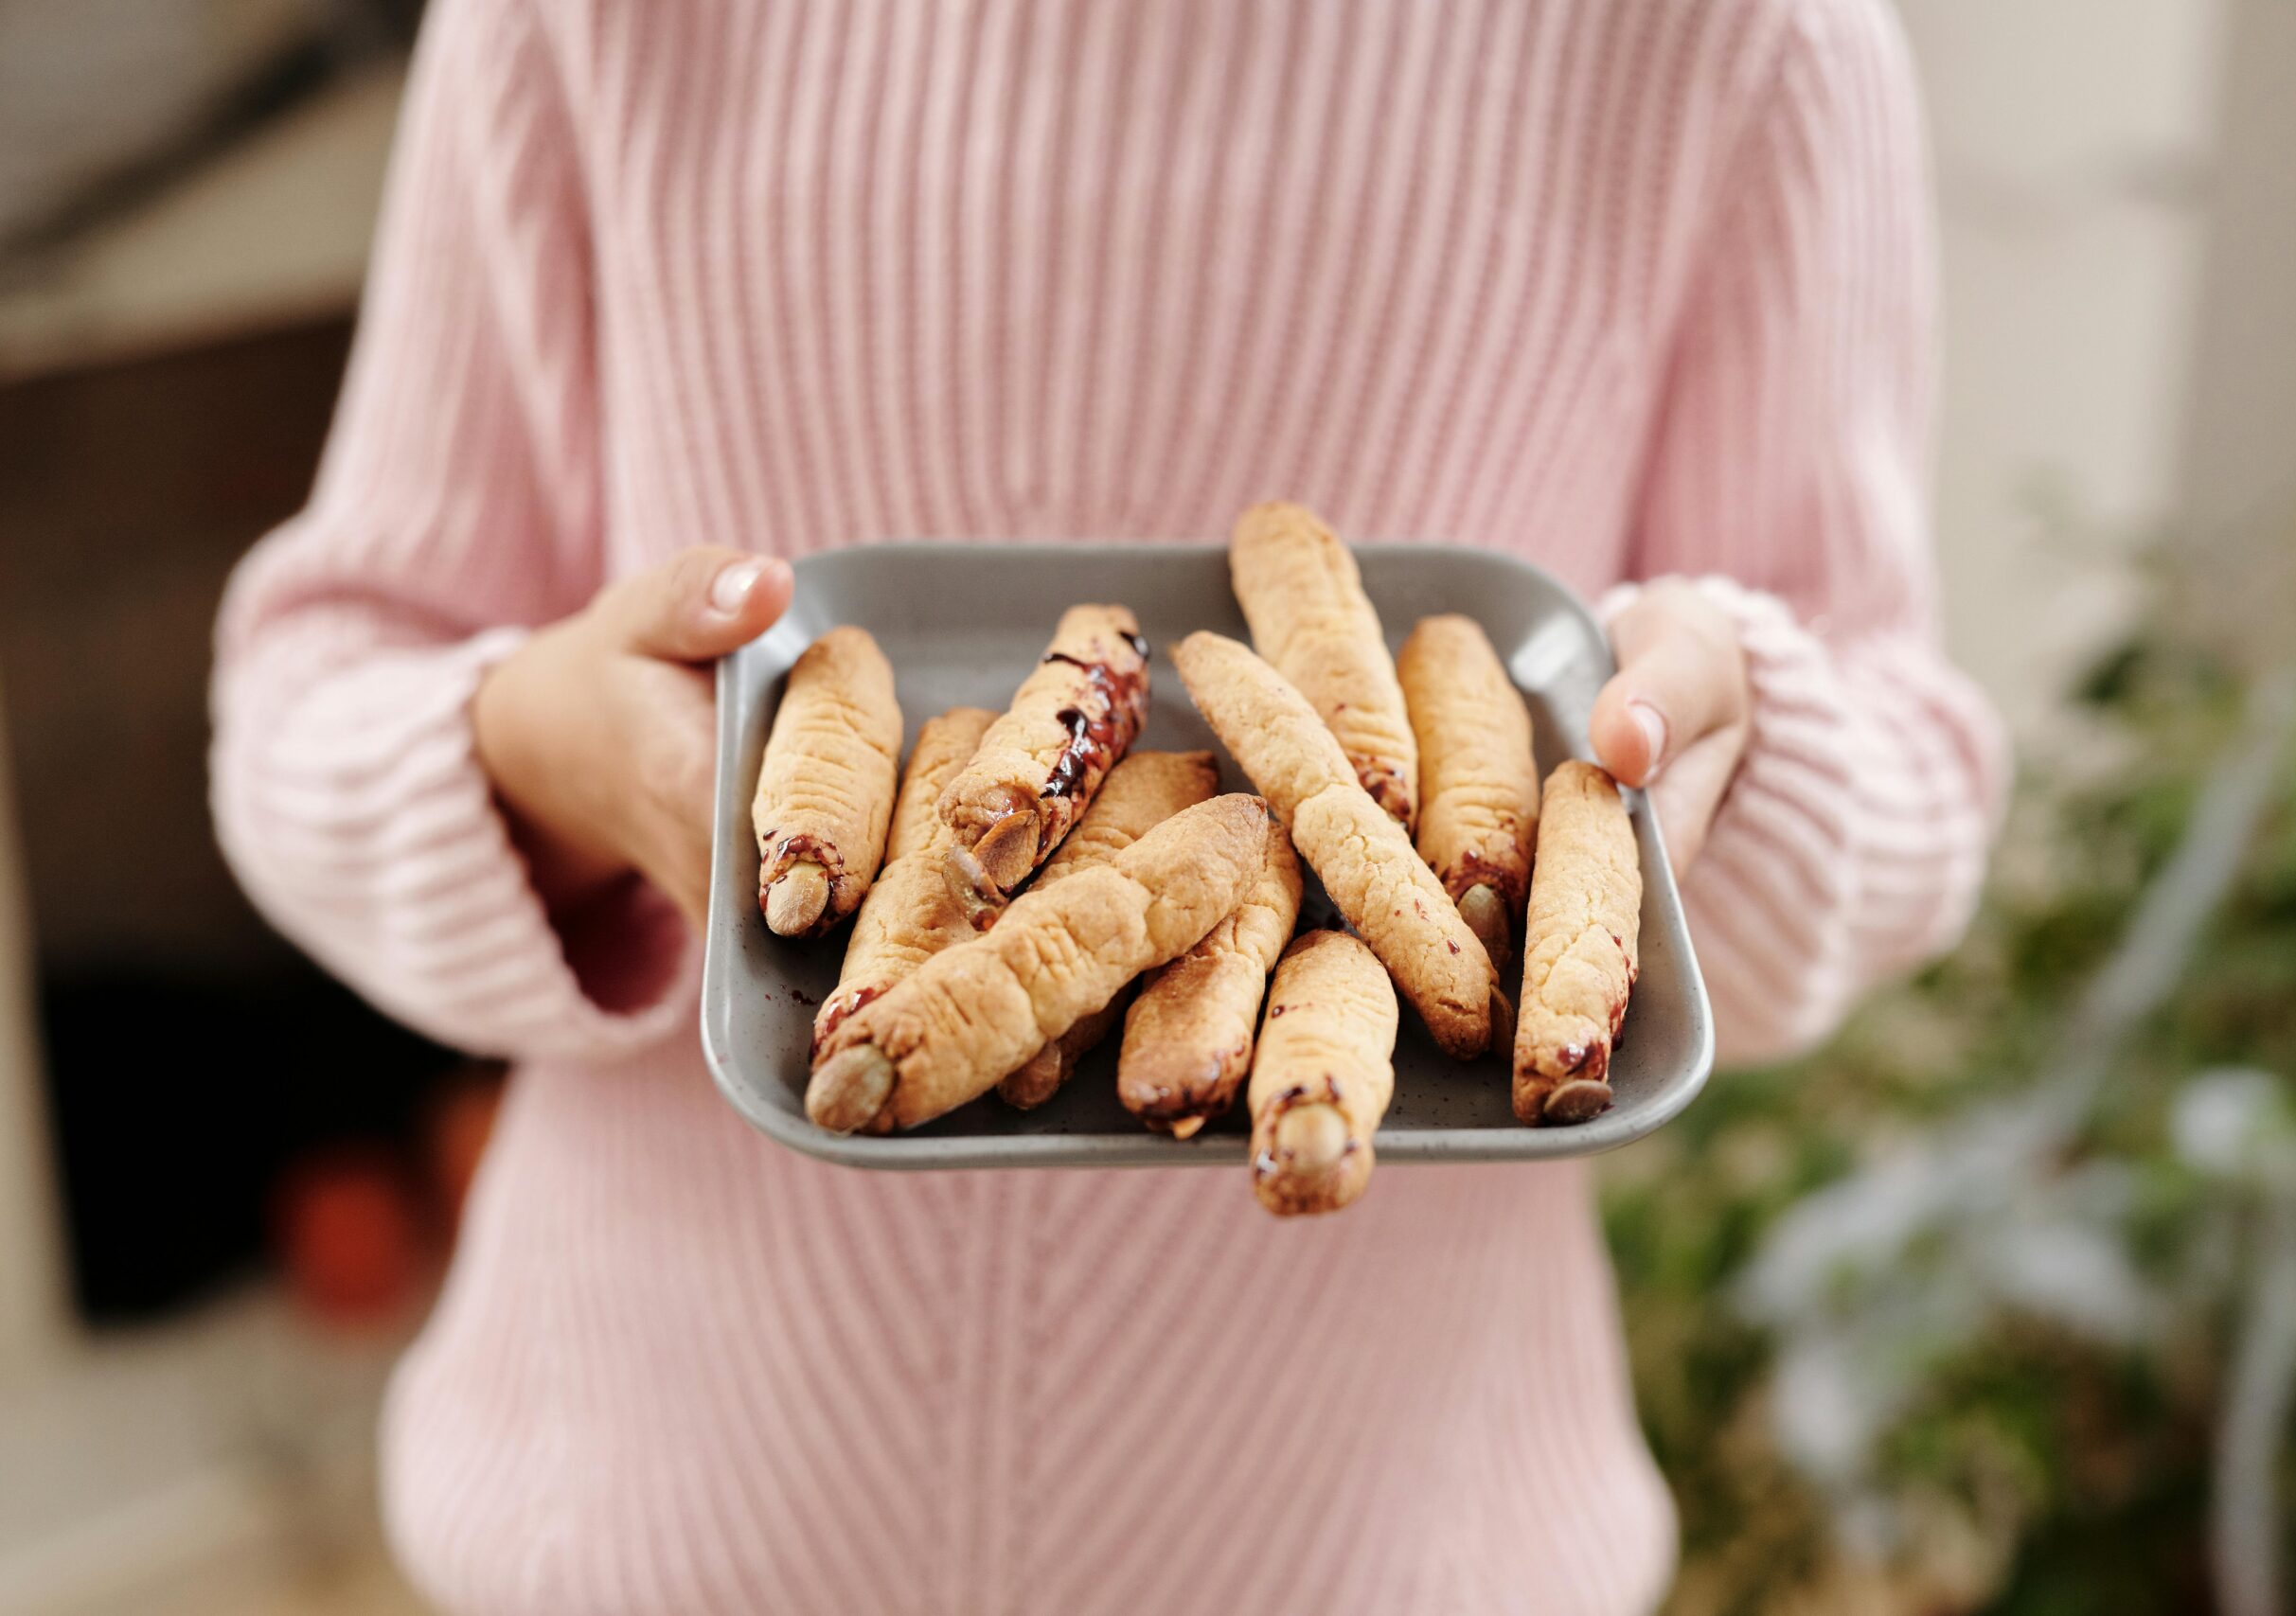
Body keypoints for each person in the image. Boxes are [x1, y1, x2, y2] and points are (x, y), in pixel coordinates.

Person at [211, 0, 2005, 1609]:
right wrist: (527, 755)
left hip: (1398, 1548)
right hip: (644, 1528)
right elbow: (310, 702)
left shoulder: (1735, 41)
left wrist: (1695, 791)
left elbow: (1914, 773)